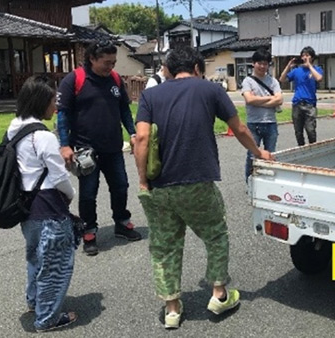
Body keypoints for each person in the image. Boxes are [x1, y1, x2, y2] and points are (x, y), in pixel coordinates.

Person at [134, 47, 273, 329]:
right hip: (198, 181)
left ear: (170, 69)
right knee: (215, 234)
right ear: (197, 68)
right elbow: (240, 129)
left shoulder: (150, 95)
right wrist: (260, 154)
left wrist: (142, 180)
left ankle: (172, 309)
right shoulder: (210, 91)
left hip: (160, 185)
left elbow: (141, 139)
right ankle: (219, 294)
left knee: (164, 246)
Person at [56, 40, 142, 256]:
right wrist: (65, 145)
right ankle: (89, 232)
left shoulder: (114, 79)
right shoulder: (74, 80)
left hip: (113, 147)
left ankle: (122, 222)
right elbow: (63, 114)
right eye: (106, 62)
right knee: (88, 194)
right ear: (92, 58)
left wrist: (132, 133)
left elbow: (124, 109)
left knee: (121, 186)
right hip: (86, 150)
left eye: (113, 62)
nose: (111, 67)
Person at [10, 76, 77, 332]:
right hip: (49, 204)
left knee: (35, 256)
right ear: (41, 102)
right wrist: (70, 196)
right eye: (53, 100)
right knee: (55, 265)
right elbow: (59, 177)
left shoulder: (15, 127)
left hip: (25, 206)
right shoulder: (44, 137)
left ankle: (34, 301)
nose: (56, 107)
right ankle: (47, 318)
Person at [241, 48, 283, 181]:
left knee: (270, 154)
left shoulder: (273, 81)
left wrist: (258, 100)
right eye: (260, 63)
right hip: (254, 123)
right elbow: (249, 100)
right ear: (253, 63)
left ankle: (268, 181)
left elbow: (280, 99)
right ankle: (250, 181)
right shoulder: (248, 81)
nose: (263, 66)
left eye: (265, 63)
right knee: (252, 155)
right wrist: (269, 99)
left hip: (271, 123)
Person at [278, 46, 323, 146]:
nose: (304, 57)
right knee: (298, 131)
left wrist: (309, 66)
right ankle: (301, 149)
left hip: (310, 104)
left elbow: (319, 78)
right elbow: (282, 79)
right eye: (303, 56)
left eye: (307, 55)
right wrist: (288, 66)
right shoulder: (297, 70)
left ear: (312, 57)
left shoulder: (317, 69)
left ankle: (313, 148)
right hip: (297, 103)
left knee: (310, 129)